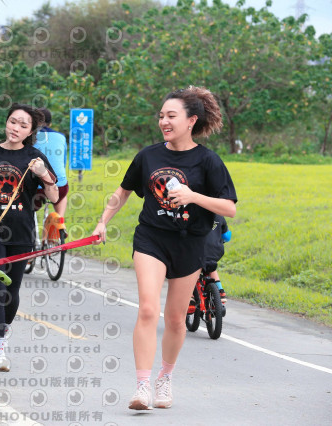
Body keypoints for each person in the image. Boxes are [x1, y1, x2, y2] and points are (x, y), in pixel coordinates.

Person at [92, 86, 237, 410]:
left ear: (191, 120)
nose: (164, 122)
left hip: (190, 243)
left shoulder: (209, 161)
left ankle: (165, 378)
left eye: (171, 116)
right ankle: (142, 386)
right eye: (161, 116)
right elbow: (123, 192)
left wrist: (193, 196)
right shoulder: (149, 156)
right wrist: (102, 221)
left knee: (174, 319)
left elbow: (229, 208)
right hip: (151, 239)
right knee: (147, 309)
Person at [0, 103, 58, 372]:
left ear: (30, 132)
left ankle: (2, 331)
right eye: (13, 121)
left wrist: (43, 174)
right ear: (6, 122)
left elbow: (53, 196)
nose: (16, 128)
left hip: (21, 233)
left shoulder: (35, 157)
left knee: (11, 291)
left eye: (23, 125)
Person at [33, 108, 69, 219]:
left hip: (35, 189)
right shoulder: (61, 137)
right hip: (59, 186)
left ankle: (30, 223)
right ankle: (60, 220)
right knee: (62, 197)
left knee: (25, 203)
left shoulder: (29, 136)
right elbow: (63, 163)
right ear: (50, 123)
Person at [203, 214, 231, 304]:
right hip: (216, 250)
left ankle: (191, 295)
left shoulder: (194, 213)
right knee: (211, 267)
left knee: (192, 269)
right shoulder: (219, 216)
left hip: (199, 251)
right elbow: (227, 236)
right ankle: (220, 291)